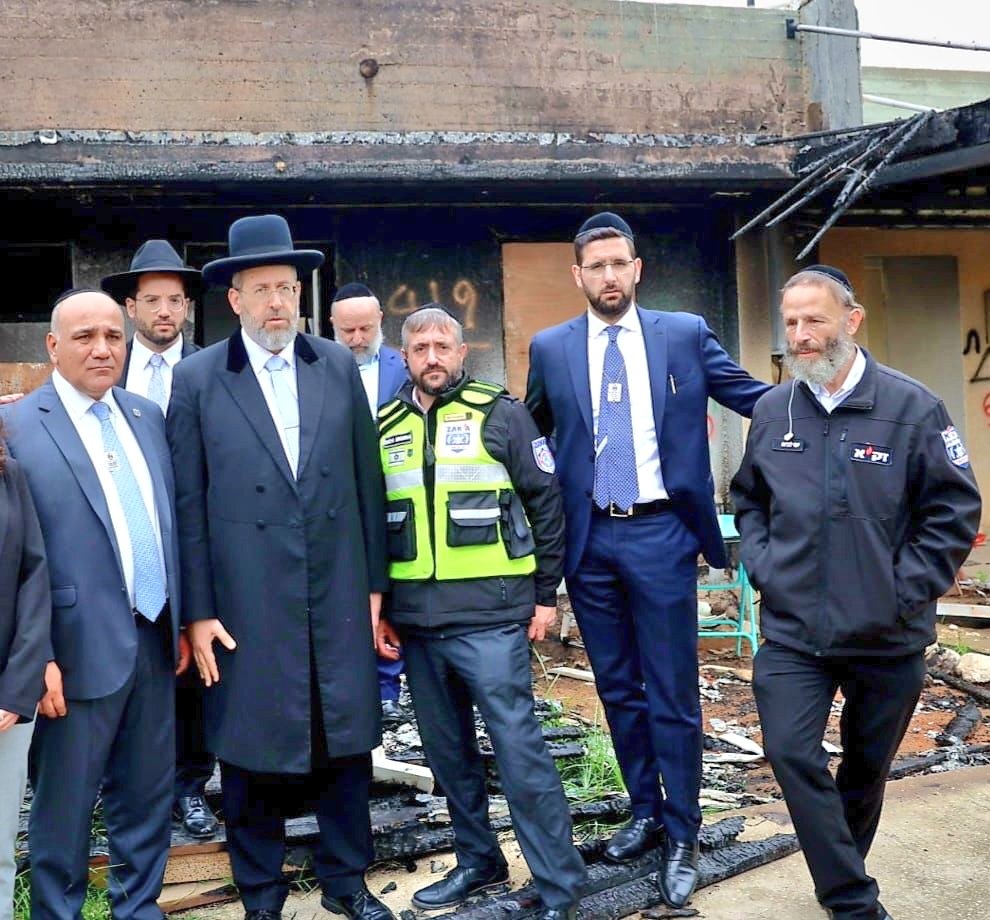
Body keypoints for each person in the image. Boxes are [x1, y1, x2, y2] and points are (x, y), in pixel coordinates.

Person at [525, 212, 769, 908]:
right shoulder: (551, 348)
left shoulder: (683, 335)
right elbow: (526, 431)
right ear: (578, 275)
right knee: (618, 688)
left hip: (662, 535)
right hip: (590, 540)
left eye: (618, 263)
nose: (608, 276)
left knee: (671, 690)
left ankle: (685, 830)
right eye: (595, 266)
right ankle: (644, 811)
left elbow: (752, 396)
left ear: (638, 268)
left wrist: (834, 403)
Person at [731, 265, 981, 920]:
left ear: (852, 319)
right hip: (794, 632)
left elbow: (953, 509)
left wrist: (906, 590)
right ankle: (852, 901)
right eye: (790, 323)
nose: (801, 336)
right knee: (788, 749)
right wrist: (763, 566)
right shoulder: (771, 409)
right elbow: (748, 500)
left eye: (814, 319)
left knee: (865, 775)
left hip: (887, 635)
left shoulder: (912, 408)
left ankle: (845, 871)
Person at [167, 215, 392, 920]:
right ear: (233, 297)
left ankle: (346, 882)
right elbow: (188, 504)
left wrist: (376, 587)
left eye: (286, 288)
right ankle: (261, 893)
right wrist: (197, 610)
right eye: (261, 288)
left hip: (334, 585)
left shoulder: (334, 366)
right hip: (245, 597)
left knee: (344, 746)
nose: (275, 303)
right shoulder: (199, 378)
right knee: (251, 748)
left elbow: (367, 482)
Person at [375, 306, 587, 920]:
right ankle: (479, 861)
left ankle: (557, 884)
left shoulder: (502, 413)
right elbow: (373, 524)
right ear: (406, 354)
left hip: (493, 618)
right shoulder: (384, 423)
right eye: (420, 347)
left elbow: (547, 503)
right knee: (447, 756)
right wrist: (383, 610)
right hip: (417, 623)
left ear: (463, 352)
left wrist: (546, 596)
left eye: (444, 345)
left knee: (520, 754)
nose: (433, 356)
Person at [1, 289, 185, 920]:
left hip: (157, 640)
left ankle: (140, 909)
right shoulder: (19, 428)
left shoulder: (144, 416)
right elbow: (15, 559)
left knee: (147, 799)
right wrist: (37, 658)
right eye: (84, 337)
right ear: (52, 346)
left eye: (112, 335)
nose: (103, 348)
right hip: (71, 658)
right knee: (64, 810)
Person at [102, 240, 218, 840]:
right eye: (152, 300)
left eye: (176, 300)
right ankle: (127, 783)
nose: (165, 312)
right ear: (130, 306)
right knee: (130, 658)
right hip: (125, 539)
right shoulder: (102, 370)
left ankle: (191, 785)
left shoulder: (216, 368)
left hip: (197, 541)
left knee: (194, 668)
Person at [330, 282, 408, 723]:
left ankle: (388, 685)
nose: (357, 339)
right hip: (340, 498)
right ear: (332, 328)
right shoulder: (316, 366)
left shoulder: (403, 366)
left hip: (397, 493)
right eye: (347, 331)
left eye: (364, 328)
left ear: (381, 321)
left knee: (392, 591)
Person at [0, 425, 51, 920]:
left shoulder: (10, 475)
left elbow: (34, 579)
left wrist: (17, 692)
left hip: (6, 702)